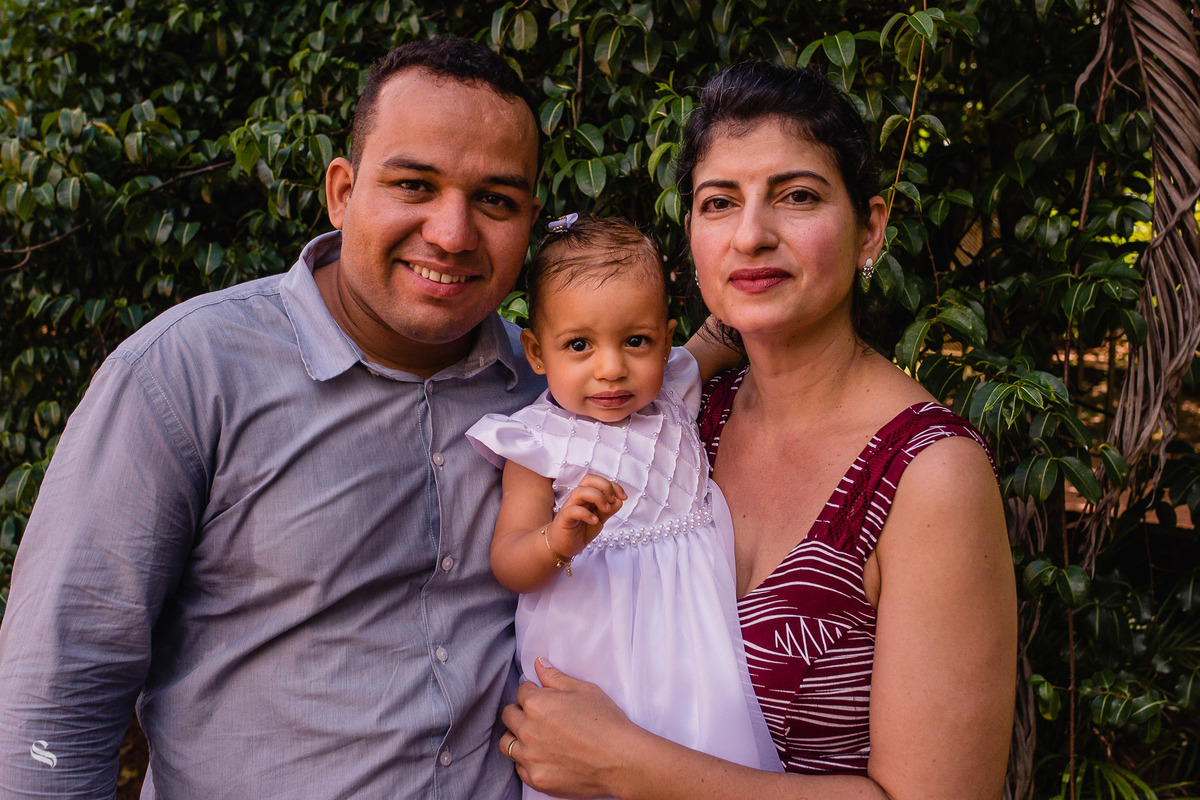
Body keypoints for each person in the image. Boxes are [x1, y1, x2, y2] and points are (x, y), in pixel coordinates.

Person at [0, 38, 543, 799]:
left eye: (495, 199)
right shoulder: (187, 374)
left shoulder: (547, 389)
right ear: (342, 191)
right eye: (415, 184)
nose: (452, 233)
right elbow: (56, 690)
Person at [496, 62, 1018, 800]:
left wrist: (629, 766)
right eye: (719, 203)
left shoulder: (930, 476)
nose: (750, 235)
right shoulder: (672, 415)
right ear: (692, 239)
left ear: (870, 227)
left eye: (796, 196)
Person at [465, 214, 781, 799]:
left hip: (695, 641)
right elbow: (509, 560)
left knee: (699, 761)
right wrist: (557, 539)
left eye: (635, 341)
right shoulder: (535, 443)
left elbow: (715, 338)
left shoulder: (672, 391)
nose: (611, 368)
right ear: (536, 351)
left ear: (664, 337)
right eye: (579, 345)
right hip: (592, 640)